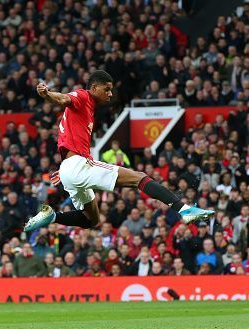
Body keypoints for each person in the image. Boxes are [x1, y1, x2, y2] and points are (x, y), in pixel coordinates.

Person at [24, 70, 214, 232]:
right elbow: (64, 98)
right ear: (94, 88)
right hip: (77, 166)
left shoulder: (86, 110)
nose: (110, 93)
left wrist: (68, 169)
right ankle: (185, 210)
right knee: (138, 177)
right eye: (106, 89)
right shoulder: (83, 96)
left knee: (91, 220)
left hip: (69, 169)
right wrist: (47, 95)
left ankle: (52, 217)